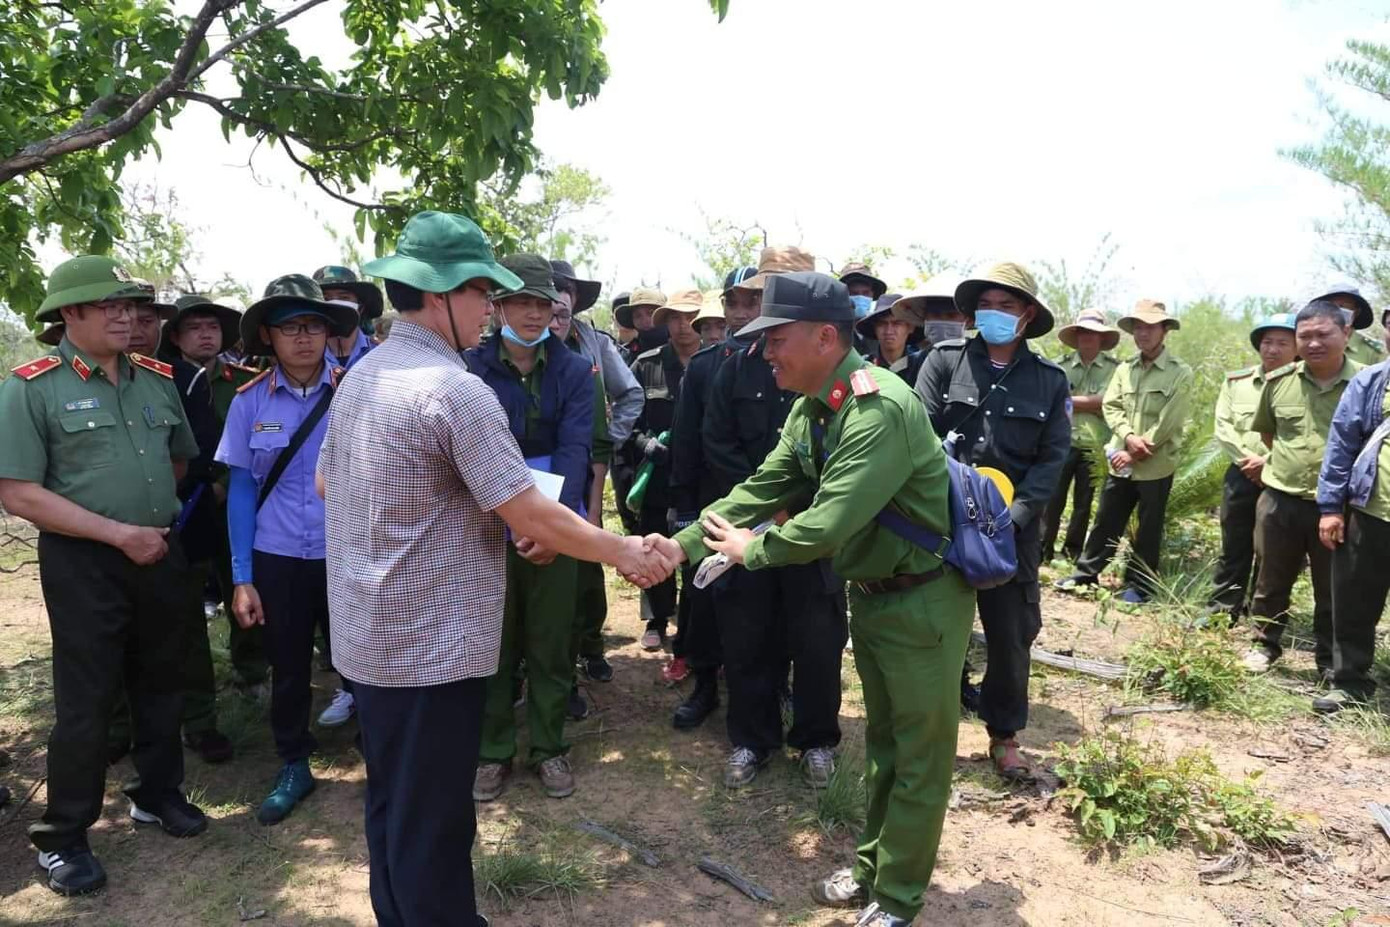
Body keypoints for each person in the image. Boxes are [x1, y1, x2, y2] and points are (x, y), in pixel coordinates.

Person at [316, 210, 668, 927]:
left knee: (392, 805)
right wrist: (627, 551)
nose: (493, 311)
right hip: (430, 650)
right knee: (436, 828)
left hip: (369, 639)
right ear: (445, 292)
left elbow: (328, 483)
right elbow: (530, 513)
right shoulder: (455, 391)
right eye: (485, 294)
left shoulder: (365, 375)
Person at [648, 271, 975, 927]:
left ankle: (900, 900)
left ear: (826, 337)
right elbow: (761, 488)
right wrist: (680, 545)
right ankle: (878, 869)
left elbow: (826, 522)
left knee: (917, 755)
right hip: (879, 596)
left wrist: (750, 551)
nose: (765, 352)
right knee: (884, 744)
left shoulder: (876, 408)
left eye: (778, 339)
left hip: (924, 601)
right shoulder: (816, 406)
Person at [0, 256, 209, 896]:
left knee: (161, 680)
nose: (127, 317)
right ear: (70, 315)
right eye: (109, 307)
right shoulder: (32, 387)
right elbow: (18, 494)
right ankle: (63, 837)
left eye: (130, 306)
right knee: (87, 702)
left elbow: (178, 463)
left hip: (158, 551)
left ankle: (157, 794)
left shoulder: (154, 378)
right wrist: (118, 531)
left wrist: (147, 529)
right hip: (86, 561)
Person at [915, 262, 1070, 779]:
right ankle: (929, 728)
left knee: (1011, 632)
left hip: (1012, 530)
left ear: (1027, 316)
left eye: (1007, 307)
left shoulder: (1049, 380)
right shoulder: (944, 362)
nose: (996, 315)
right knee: (935, 626)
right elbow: (917, 436)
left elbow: (1052, 458)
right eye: (987, 305)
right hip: (944, 520)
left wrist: (1016, 515)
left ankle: (1004, 735)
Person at [214, 275, 359, 825]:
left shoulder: (354, 392)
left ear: (329, 334)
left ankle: (381, 751)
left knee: (362, 656)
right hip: (278, 555)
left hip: (347, 550)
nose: (303, 338)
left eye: (314, 326)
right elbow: (242, 492)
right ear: (268, 338)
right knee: (290, 662)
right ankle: (294, 761)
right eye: (290, 328)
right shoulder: (249, 402)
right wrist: (242, 576)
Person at [703, 247, 849, 788]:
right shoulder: (734, 365)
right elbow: (717, 445)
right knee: (747, 638)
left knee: (817, 639)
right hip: (748, 531)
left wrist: (799, 510)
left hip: (815, 533)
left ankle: (816, 741)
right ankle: (750, 740)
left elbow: (845, 461)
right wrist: (768, 509)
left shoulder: (843, 378)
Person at [465, 254, 594, 800]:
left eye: (543, 304)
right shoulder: (470, 368)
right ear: (497, 307)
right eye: (521, 302)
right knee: (493, 640)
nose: (534, 314)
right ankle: (493, 751)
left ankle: (548, 747)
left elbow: (574, 450)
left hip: (555, 520)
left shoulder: (574, 371)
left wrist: (546, 526)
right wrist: (511, 514)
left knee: (550, 639)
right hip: (483, 520)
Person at [1241, 299, 1359, 677]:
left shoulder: (1367, 384)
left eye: (1323, 334)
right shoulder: (1279, 382)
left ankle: (1329, 659)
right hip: (1280, 500)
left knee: (1335, 587)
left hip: (1340, 508)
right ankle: (1264, 644)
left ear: (1346, 333)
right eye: (1304, 336)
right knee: (1271, 579)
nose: (1312, 344)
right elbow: (1269, 434)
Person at [664, 265, 758, 721]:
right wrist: (683, 508)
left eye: (750, 303)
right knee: (703, 601)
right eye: (732, 303)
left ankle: (772, 689)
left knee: (765, 603)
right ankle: (703, 685)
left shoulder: (790, 364)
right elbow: (686, 441)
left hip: (771, 511)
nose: (740, 314)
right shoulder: (705, 366)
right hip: (712, 505)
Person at [164, 295, 270, 694]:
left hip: (234, 501)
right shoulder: (162, 381)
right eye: (195, 328)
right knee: (186, 597)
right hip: (185, 505)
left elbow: (259, 442)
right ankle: (193, 689)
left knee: (243, 584)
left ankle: (252, 670)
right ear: (175, 337)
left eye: (212, 327)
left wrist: (225, 486)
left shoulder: (245, 382)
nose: (206, 335)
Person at [1056, 300, 1193, 603]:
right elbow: (1111, 405)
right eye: (1138, 328)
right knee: (1107, 518)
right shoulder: (1125, 370)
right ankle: (1086, 573)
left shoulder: (1179, 372)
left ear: (1164, 330)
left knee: (1148, 527)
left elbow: (1169, 420)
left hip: (1156, 464)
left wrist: (1138, 449)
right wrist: (1128, 437)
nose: (1143, 334)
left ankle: (1140, 586)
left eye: (1150, 327)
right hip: (1121, 459)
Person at [550, 260, 644, 686]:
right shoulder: (521, 346)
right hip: (540, 469)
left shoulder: (593, 343)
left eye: (562, 291)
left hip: (589, 470)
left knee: (589, 554)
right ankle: (553, 661)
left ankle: (590, 645)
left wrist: (608, 440)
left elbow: (630, 394)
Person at [1315, 302, 1390, 712]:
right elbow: (1341, 447)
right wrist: (1330, 508)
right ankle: (1350, 682)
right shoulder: (1369, 383)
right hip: (1371, 511)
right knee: (1355, 601)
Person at [1207, 314, 1298, 619]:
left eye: (1282, 343)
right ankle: (1222, 610)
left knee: (1272, 550)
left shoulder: (1304, 386)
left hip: (1282, 478)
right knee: (1234, 543)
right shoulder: (1237, 382)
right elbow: (1223, 426)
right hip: (1241, 473)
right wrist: (1248, 461)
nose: (1272, 349)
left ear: (1297, 347)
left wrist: (1268, 462)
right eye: (1267, 342)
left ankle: (1261, 614)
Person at [626, 290, 702, 653]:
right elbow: (628, 422)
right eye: (674, 317)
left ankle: (690, 629)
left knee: (694, 550)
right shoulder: (646, 364)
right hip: (658, 474)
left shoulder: (714, 361)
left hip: (700, 478)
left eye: (690, 317)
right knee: (652, 545)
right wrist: (645, 445)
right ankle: (656, 619)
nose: (683, 325)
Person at [1040, 308, 1122, 563]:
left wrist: (1067, 400)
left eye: (1093, 332)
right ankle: (1042, 550)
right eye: (1083, 331)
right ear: (1076, 336)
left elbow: (1109, 401)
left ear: (1102, 338)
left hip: (1095, 445)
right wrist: (1091, 403)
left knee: (1084, 503)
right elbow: (1049, 399)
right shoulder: (1060, 366)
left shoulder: (1116, 370)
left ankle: (1072, 551)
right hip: (1061, 442)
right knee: (1052, 498)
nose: (1087, 337)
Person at [886, 274, 968, 385]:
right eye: (936, 315)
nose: (942, 322)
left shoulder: (979, 364)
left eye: (951, 316)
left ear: (967, 320)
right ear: (924, 318)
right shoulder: (904, 369)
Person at [312, 265, 382, 369]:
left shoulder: (380, 352)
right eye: (326, 298)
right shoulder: (303, 355)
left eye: (344, 298)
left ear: (360, 308)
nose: (335, 304)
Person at [1313, 282, 1384, 366]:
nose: (1336, 310)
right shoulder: (1312, 343)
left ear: (1356, 312)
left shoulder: (1373, 352)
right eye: (1331, 306)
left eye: (1343, 306)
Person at [858, 292, 920, 381]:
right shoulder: (863, 367)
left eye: (897, 323)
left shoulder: (921, 366)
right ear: (875, 328)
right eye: (882, 324)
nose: (889, 331)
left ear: (910, 327)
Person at [616, 286, 668, 364]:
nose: (644, 320)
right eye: (638, 316)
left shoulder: (681, 347)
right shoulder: (627, 354)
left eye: (650, 313)